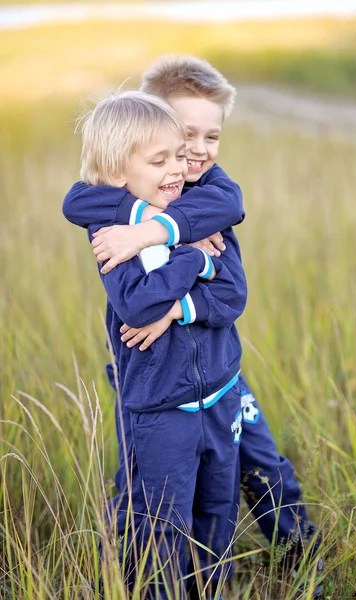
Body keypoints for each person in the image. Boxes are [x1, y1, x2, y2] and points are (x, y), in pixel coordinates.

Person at [63, 56, 323, 596]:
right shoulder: (124, 201)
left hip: (220, 377)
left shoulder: (213, 196)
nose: (194, 154)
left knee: (257, 468)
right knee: (146, 492)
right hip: (158, 385)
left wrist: (164, 261)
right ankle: (128, 574)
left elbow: (230, 286)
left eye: (210, 137)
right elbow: (79, 198)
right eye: (181, 140)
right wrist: (142, 230)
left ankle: (299, 556)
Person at [65, 90, 248, 599]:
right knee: (162, 520)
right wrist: (191, 256)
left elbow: (233, 293)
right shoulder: (112, 234)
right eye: (160, 159)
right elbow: (140, 306)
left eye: (179, 154)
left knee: (217, 506)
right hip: (160, 404)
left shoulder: (196, 205)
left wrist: (182, 294)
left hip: (220, 390)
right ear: (120, 171)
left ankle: (211, 591)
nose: (179, 167)